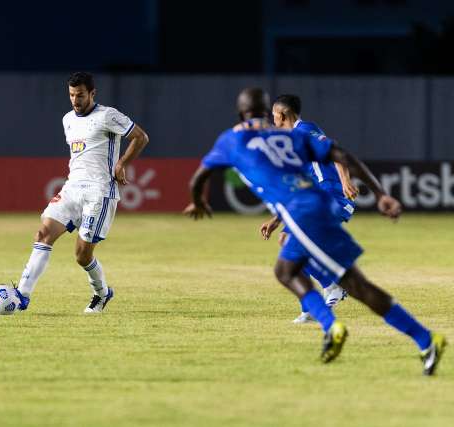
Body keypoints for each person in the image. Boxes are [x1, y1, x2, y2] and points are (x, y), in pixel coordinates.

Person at [187, 87, 446, 375]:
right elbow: (341, 153)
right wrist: (380, 193)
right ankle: (340, 325)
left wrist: (199, 203)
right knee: (286, 270)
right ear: (266, 113)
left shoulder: (232, 139)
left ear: (242, 113)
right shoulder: (290, 138)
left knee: (356, 285)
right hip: (313, 207)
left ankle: (417, 337)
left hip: (307, 213)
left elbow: (198, 179)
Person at [13, 72, 149, 313]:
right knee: (43, 233)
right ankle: (22, 295)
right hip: (72, 188)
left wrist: (121, 164)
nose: (75, 100)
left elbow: (140, 137)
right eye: (72, 95)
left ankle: (102, 293)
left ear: (92, 93)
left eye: (80, 95)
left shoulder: (108, 115)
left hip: (99, 191)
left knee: (82, 255)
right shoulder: (67, 119)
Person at [260, 94, 359, 323]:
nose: (273, 120)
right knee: (287, 241)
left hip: (333, 194)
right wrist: (276, 221)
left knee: (293, 244)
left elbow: (335, 151)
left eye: (274, 115)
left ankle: (332, 286)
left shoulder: (305, 130)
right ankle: (311, 305)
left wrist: (344, 181)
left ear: (282, 115)